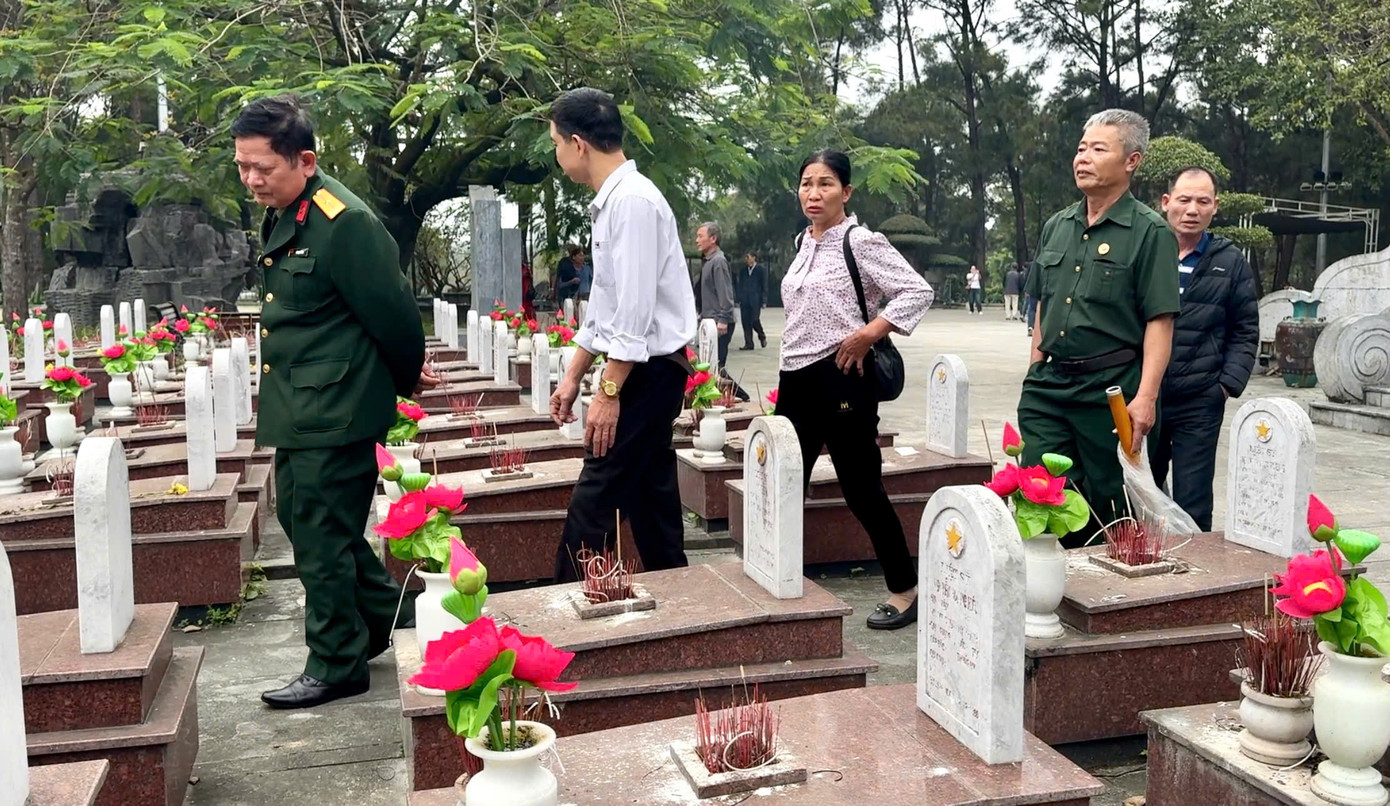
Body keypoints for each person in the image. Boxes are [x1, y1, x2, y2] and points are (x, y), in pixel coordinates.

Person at [233, 95, 427, 709]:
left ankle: (337, 661)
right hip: (302, 406)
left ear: (306, 160)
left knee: (318, 535)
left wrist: (386, 391)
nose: (251, 179)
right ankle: (389, 611)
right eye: (242, 166)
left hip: (337, 408)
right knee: (303, 516)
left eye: (262, 167)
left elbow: (396, 319)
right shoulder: (285, 210)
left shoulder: (344, 223)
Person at [546, 87, 697, 582]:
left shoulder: (631, 202)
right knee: (651, 499)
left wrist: (608, 391)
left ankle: (563, 613)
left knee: (597, 496)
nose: (557, 155)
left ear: (578, 143)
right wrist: (573, 377)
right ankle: (675, 589)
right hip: (643, 370)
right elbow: (605, 310)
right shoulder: (613, 203)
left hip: (648, 374)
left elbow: (633, 312)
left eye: (555, 144)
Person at [780, 149, 933, 630]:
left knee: (861, 489)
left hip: (843, 374)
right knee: (784, 483)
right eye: (806, 183)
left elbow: (917, 291)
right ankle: (777, 578)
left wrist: (870, 333)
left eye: (825, 184)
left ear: (846, 192)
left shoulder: (861, 241)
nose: (813, 193)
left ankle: (905, 590)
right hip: (795, 379)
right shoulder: (802, 243)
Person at [1019, 109, 1179, 540]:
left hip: (1112, 391)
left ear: (1132, 161)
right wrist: (1035, 367)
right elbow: (1041, 306)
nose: (1083, 158)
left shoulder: (1150, 232)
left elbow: (1160, 321)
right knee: (1039, 496)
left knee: (1114, 504)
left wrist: (1146, 398)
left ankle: (1110, 599)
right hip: (1049, 387)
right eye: (1080, 149)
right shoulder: (1057, 226)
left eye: (1098, 149)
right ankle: (1051, 586)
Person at [1151, 166, 1259, 531]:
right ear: (1166, 203)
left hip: (1199, 399)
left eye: (1202, 201)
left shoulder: (1230, 261)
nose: (1192, 209)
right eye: (1184, 199)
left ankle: (1196, 577)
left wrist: (1225, 385)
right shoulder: (1147, 252)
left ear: (1215, 206)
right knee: (1138, 489)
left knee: (1193, 497)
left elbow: (1246, 330)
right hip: (1145, 395)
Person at [696, 222, 736, 367]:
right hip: (709, 320)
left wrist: (724, 318)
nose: (697, 240)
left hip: (719, 323)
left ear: (713, 239)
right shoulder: (708, 261)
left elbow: (725, 291)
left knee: (716, 368)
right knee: (708, 367)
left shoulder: (718, 261)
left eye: (700, 236)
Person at [736, 251, 768, 350]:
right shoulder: (743, 270)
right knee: (745, 321)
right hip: (745, 300)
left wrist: (764, 300)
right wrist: (739, 298)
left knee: (754, 320)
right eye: (746, 257)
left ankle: (761, 335)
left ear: (754, 258)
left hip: (755, 299)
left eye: (748, 257)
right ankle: (749, 343)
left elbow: (764, 285)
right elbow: (740, 284)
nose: (746, 259)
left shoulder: (760, 270)